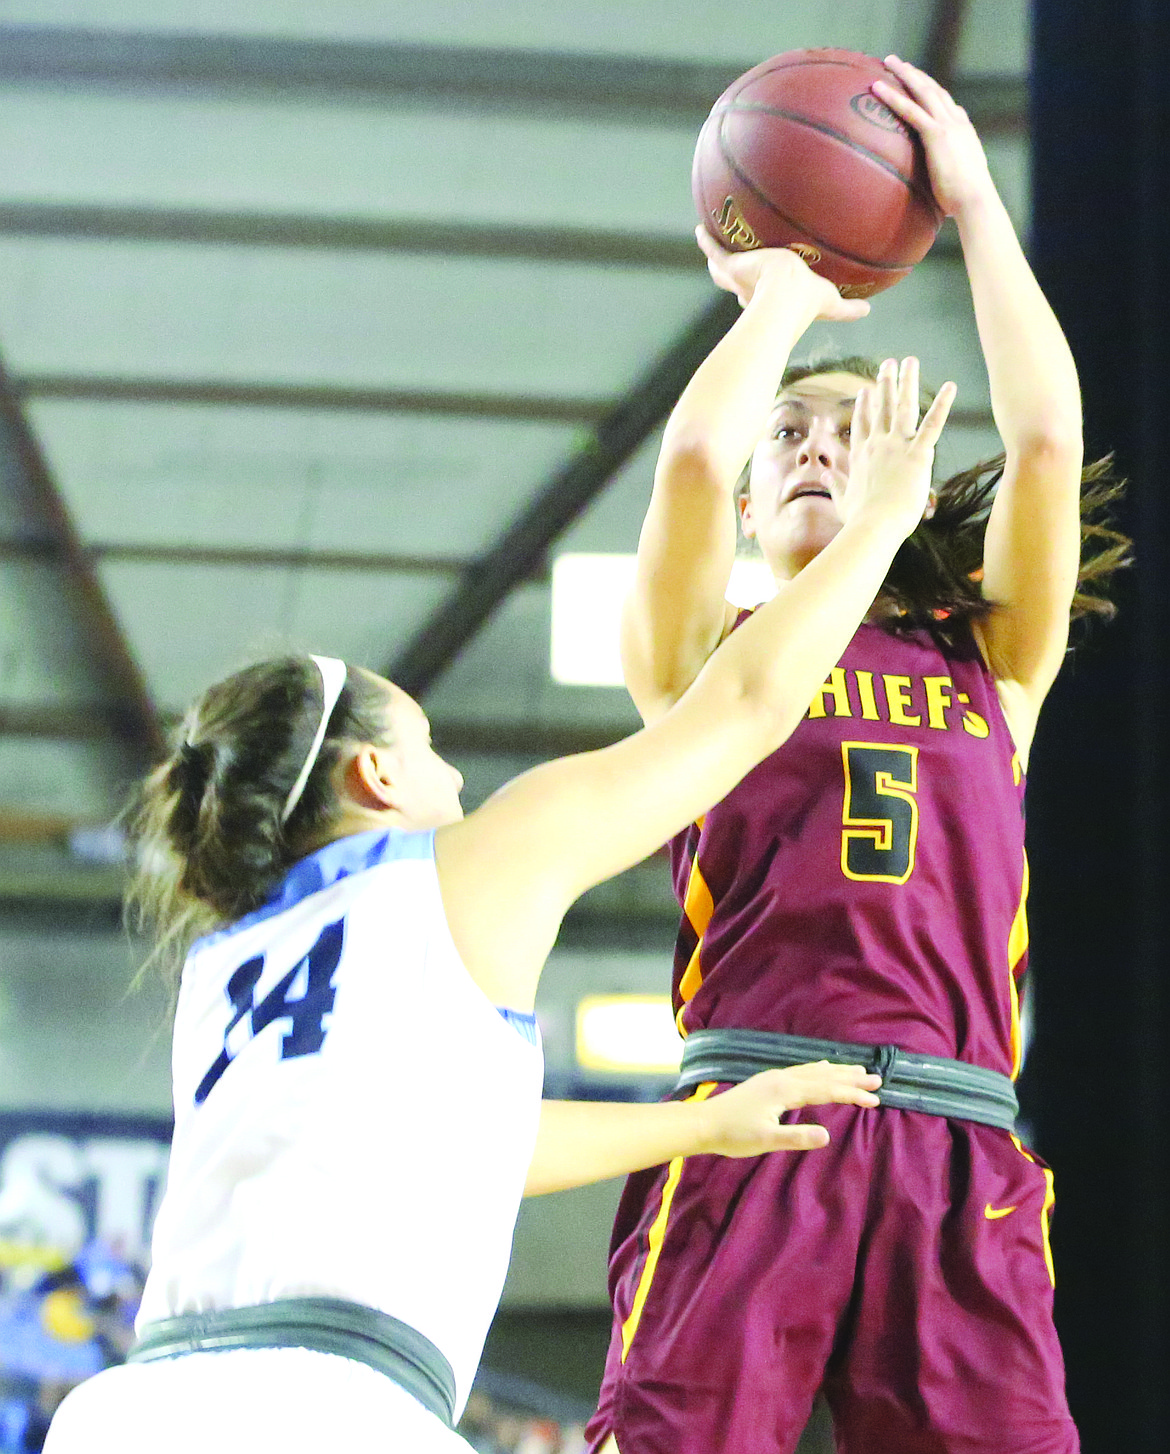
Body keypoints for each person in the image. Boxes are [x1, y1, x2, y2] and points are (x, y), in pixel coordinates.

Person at [41, 345, 952, 1454]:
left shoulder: (223, 964)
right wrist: (883, 518)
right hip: (332, 1406)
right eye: (429, 749)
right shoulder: (469, 862)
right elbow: (752, 705)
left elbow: (469, 1139)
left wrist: (701, 1123)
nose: (459, 779)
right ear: (374, 777)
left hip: (136, 1406)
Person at [585, 56, 1129, 1454]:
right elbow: (693, 464)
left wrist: (975, 203)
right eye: (792, 436)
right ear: (763, 490)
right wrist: (779, 294)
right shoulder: (705, 655)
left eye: (846, 428)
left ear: (903, 469)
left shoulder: (991, 658)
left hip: (956, 1141)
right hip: (748, 1110)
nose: (816, 448)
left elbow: (1050, 437)